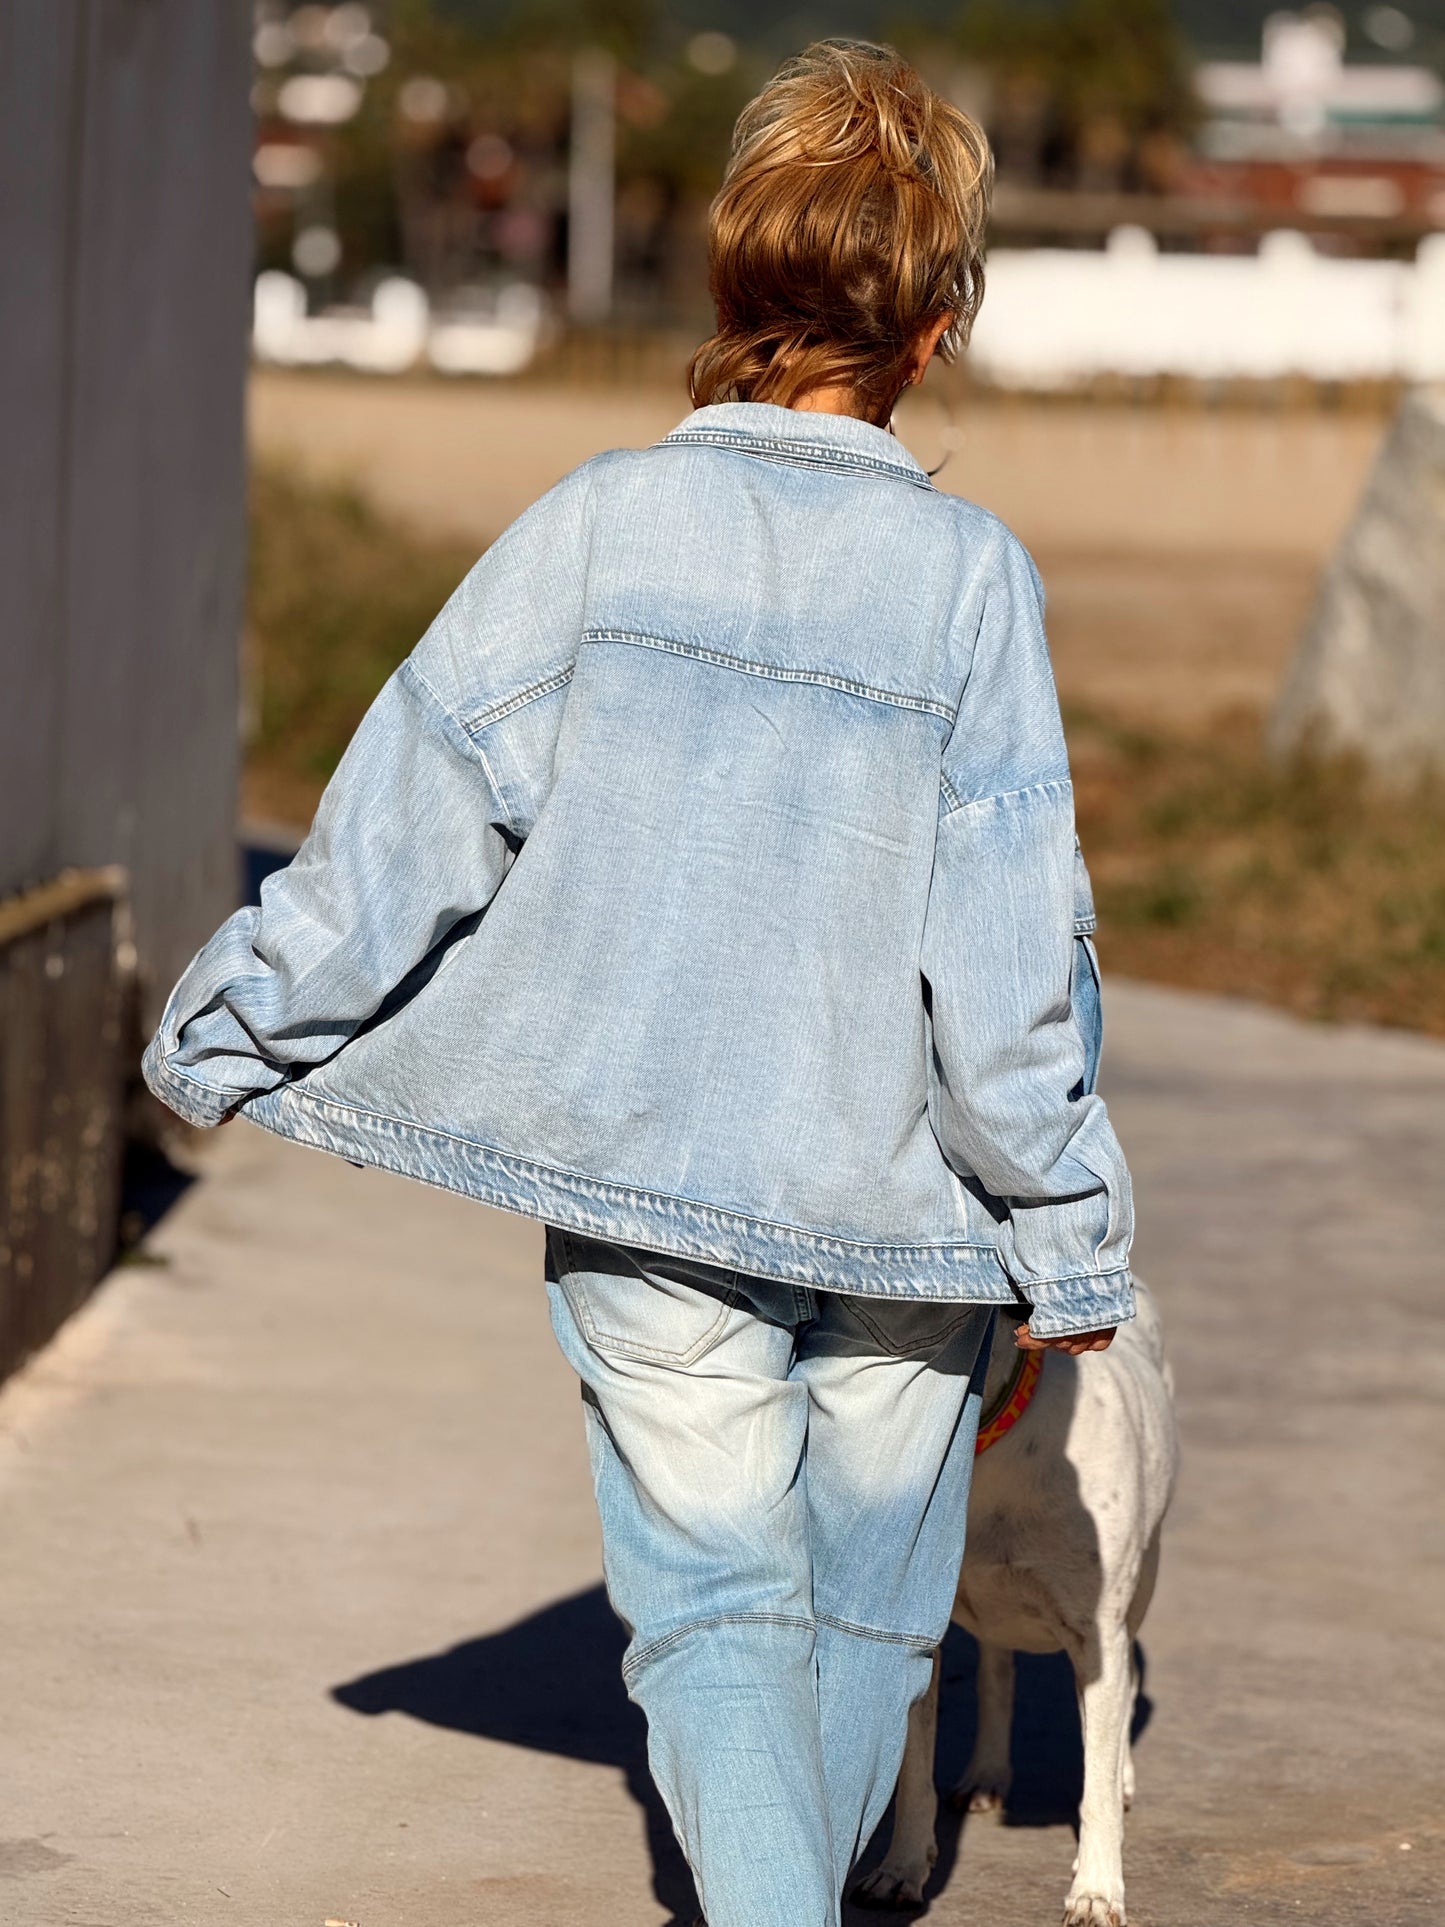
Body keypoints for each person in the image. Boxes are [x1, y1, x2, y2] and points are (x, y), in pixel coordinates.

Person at [144, 38, 1134, 1927]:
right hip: (902, 1223)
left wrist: (229, 1026)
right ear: (936, 332)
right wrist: (1069, 1235)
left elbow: (405, 824)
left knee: (710, 1618)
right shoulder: (970, 580)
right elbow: (1011, 962)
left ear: (730, 296)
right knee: (857, 1611)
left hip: (646, 1189)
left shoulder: (594, 526)